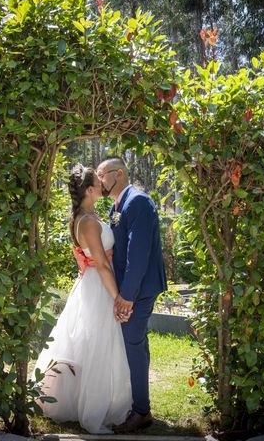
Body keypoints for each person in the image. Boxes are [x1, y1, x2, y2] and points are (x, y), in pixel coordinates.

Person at [32, 165, 132, 434]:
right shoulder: (87, 222)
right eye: (97, 180)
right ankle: (91, 408)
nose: (102, 182)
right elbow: (100, 264)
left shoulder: (89, 215)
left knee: (90, 344)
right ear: (89, 190)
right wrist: (118, 299)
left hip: (94, 283)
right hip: (98, 287)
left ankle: (84, 399)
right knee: (96, 345)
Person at [96, 156, 167, 434]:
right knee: (136, 343)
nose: (99, 180)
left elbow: (138, 255)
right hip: (129, 287)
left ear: (119, 174)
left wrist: (126, 296)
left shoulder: (138, 201)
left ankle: (141, 411)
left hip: (139, 288)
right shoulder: (118, 204)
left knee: (133, 343)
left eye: (102, 175)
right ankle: (139, 403)